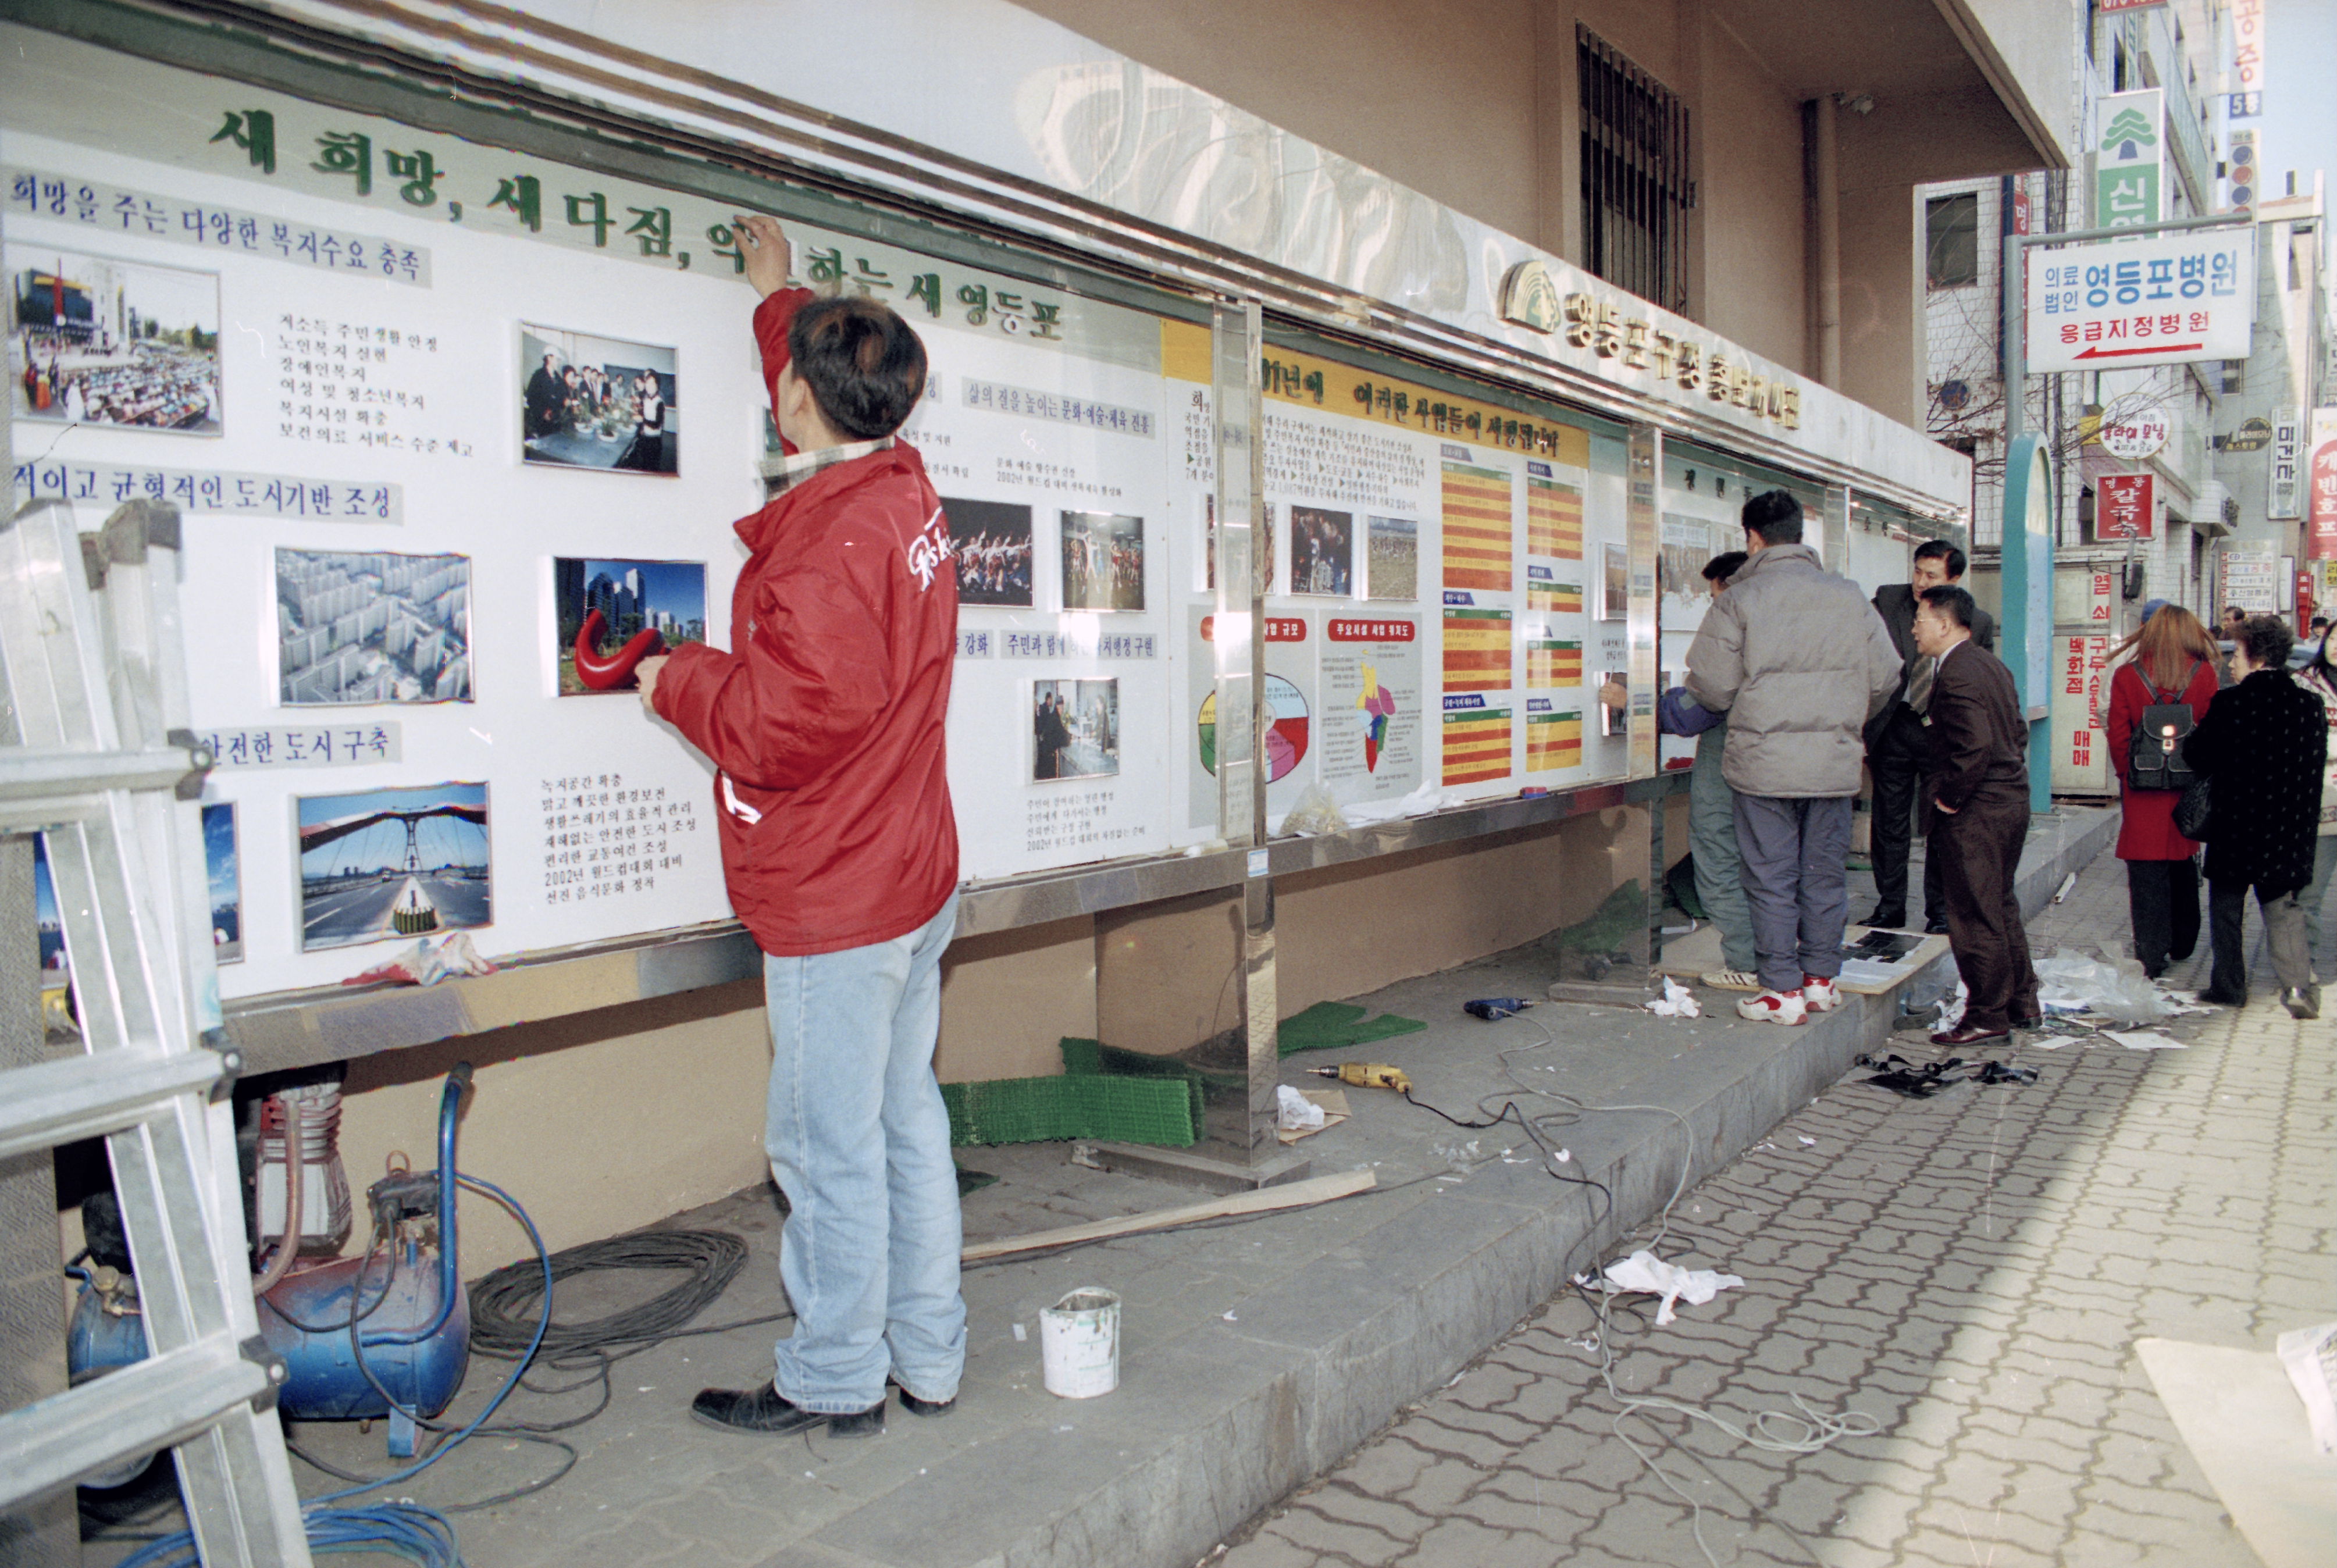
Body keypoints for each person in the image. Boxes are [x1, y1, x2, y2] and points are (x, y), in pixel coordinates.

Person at [637, 212, 965, 1438]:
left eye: (789, 369)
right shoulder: (898, 478)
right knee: (901, 1125)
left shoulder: (828, 545)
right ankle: (929, 1359)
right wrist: (777, 296)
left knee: (826, 1151)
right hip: (911, 872)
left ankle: (833, 1379)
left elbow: (787, 723)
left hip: (840, 895)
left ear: (797, 408)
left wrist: (676, 677)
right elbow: (829, 374)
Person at [1685, 491, 1901, 1025]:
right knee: (1823, 876)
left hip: (1763, 768)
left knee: (1770, 877)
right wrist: (1842, 719)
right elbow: (1886, 675)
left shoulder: (1739, 599)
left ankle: (1780, 991)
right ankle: (1822, 982)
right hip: (1832, 765)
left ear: (1753, 539)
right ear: (1799, 535)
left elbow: (1711, 687)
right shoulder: (1850, 597)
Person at [1913, 585, 2040, 1045]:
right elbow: (2018, 732)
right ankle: (2021, 1003)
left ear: (1945, 624)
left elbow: (1976, 744)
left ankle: (1987, 1014)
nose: (1913, 630)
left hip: (1979, 811)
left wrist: (1949, 797)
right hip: (2009, 802)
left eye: (1920, 620)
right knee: (2001, 906)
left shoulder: (1959, 671)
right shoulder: (1990, 664)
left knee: (1973, 913)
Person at [2185, 615, 2327, 1017]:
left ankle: (2229, 987)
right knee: (2283, 909)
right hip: (2287, 827)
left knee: (2227, 908)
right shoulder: (2308, 704)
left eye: (2238, 654)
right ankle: (2298, 988)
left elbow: (2198, 755)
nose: (2232, 663)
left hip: (2237, 826)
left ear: (2256, 656)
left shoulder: (2232, 702)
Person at [1862, 540, 1997, 933]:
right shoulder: (1888, 603)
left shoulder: (1978, 623)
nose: (1920, 582)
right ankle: (1890, 908)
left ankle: (1939, 912)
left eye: (1932, 575)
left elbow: (1980, 681)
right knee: (1889, 823)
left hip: (1941, 733)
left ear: (1954, 578)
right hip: (1895, 724)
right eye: (1918, 571)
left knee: (1940, 822)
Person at [1655, 551, 1758, 990]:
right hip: (1779, 763)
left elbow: (1702, 705)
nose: (1713, 608)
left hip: (1730, 755)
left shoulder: (1738, 626)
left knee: (1718, 854)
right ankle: (1789, 962)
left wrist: (1640, 705)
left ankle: (1747, 962)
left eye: (1715, 597)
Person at [2101, 603, 2220, 978]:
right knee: (2183, 861)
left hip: (2143, 789)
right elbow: (2211, 733)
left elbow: (2119, 736)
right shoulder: (2205, 675)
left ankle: (2151, 954)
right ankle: (2184, 941)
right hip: (2187, 789)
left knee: (2146, 872)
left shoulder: (2127, 675)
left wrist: (2129, 775)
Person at [2296, 634, 2337, 960]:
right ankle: (2302, 965)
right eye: (2334, 638)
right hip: (2318, 804)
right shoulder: (2304, 683)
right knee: (2309, 892)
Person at [523, 350, 565, 437]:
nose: (558, 362)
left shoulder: (558, 377)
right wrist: (543, 412)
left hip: (556, 423)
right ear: (549, 358)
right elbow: (531, 398)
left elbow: (562, 394)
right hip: (542, 425)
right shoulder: (538, 376)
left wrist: (564, 401)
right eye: (557, 359)